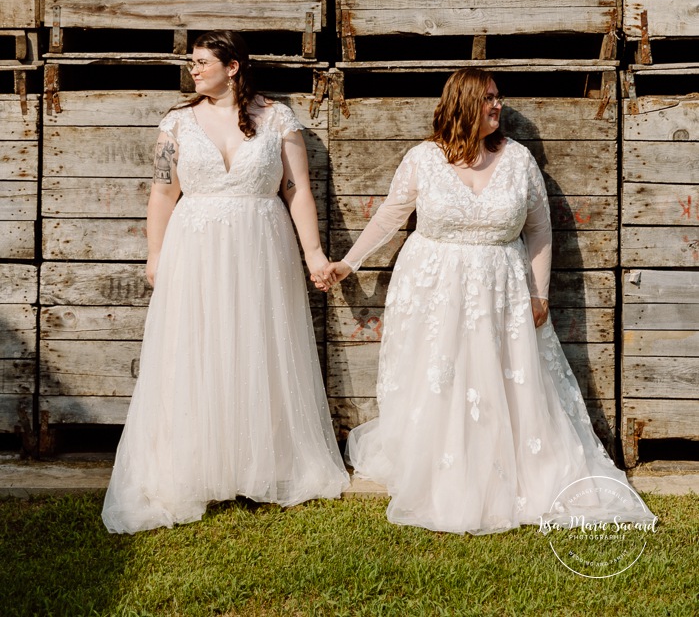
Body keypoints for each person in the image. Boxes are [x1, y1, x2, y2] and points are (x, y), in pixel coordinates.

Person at [322, 69, 653, 535]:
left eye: (498, 98)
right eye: (487, 99)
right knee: (443, 377)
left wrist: (539, 292)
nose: (497, 106)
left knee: (504, 380)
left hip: (501, 287)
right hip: (434, 289)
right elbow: (389, 218)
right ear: (461, 103)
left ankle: (508, 471)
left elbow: (539, 230)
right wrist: (348, 263)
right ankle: (443, 468)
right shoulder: (423, 159)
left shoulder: (518, 161)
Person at [102, 31, 348, 533]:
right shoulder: (176, 123)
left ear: (232, 67)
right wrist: (155, 252)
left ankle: (263, 467)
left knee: (257, 347)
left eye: (201, 62)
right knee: (197, 349)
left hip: (262, 246)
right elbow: (161, 193)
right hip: (195, 249)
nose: (193, 70)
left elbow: (297, 191)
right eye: (192, 63)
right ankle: (196, 466)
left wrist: (314, 253)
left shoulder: (277, 119)